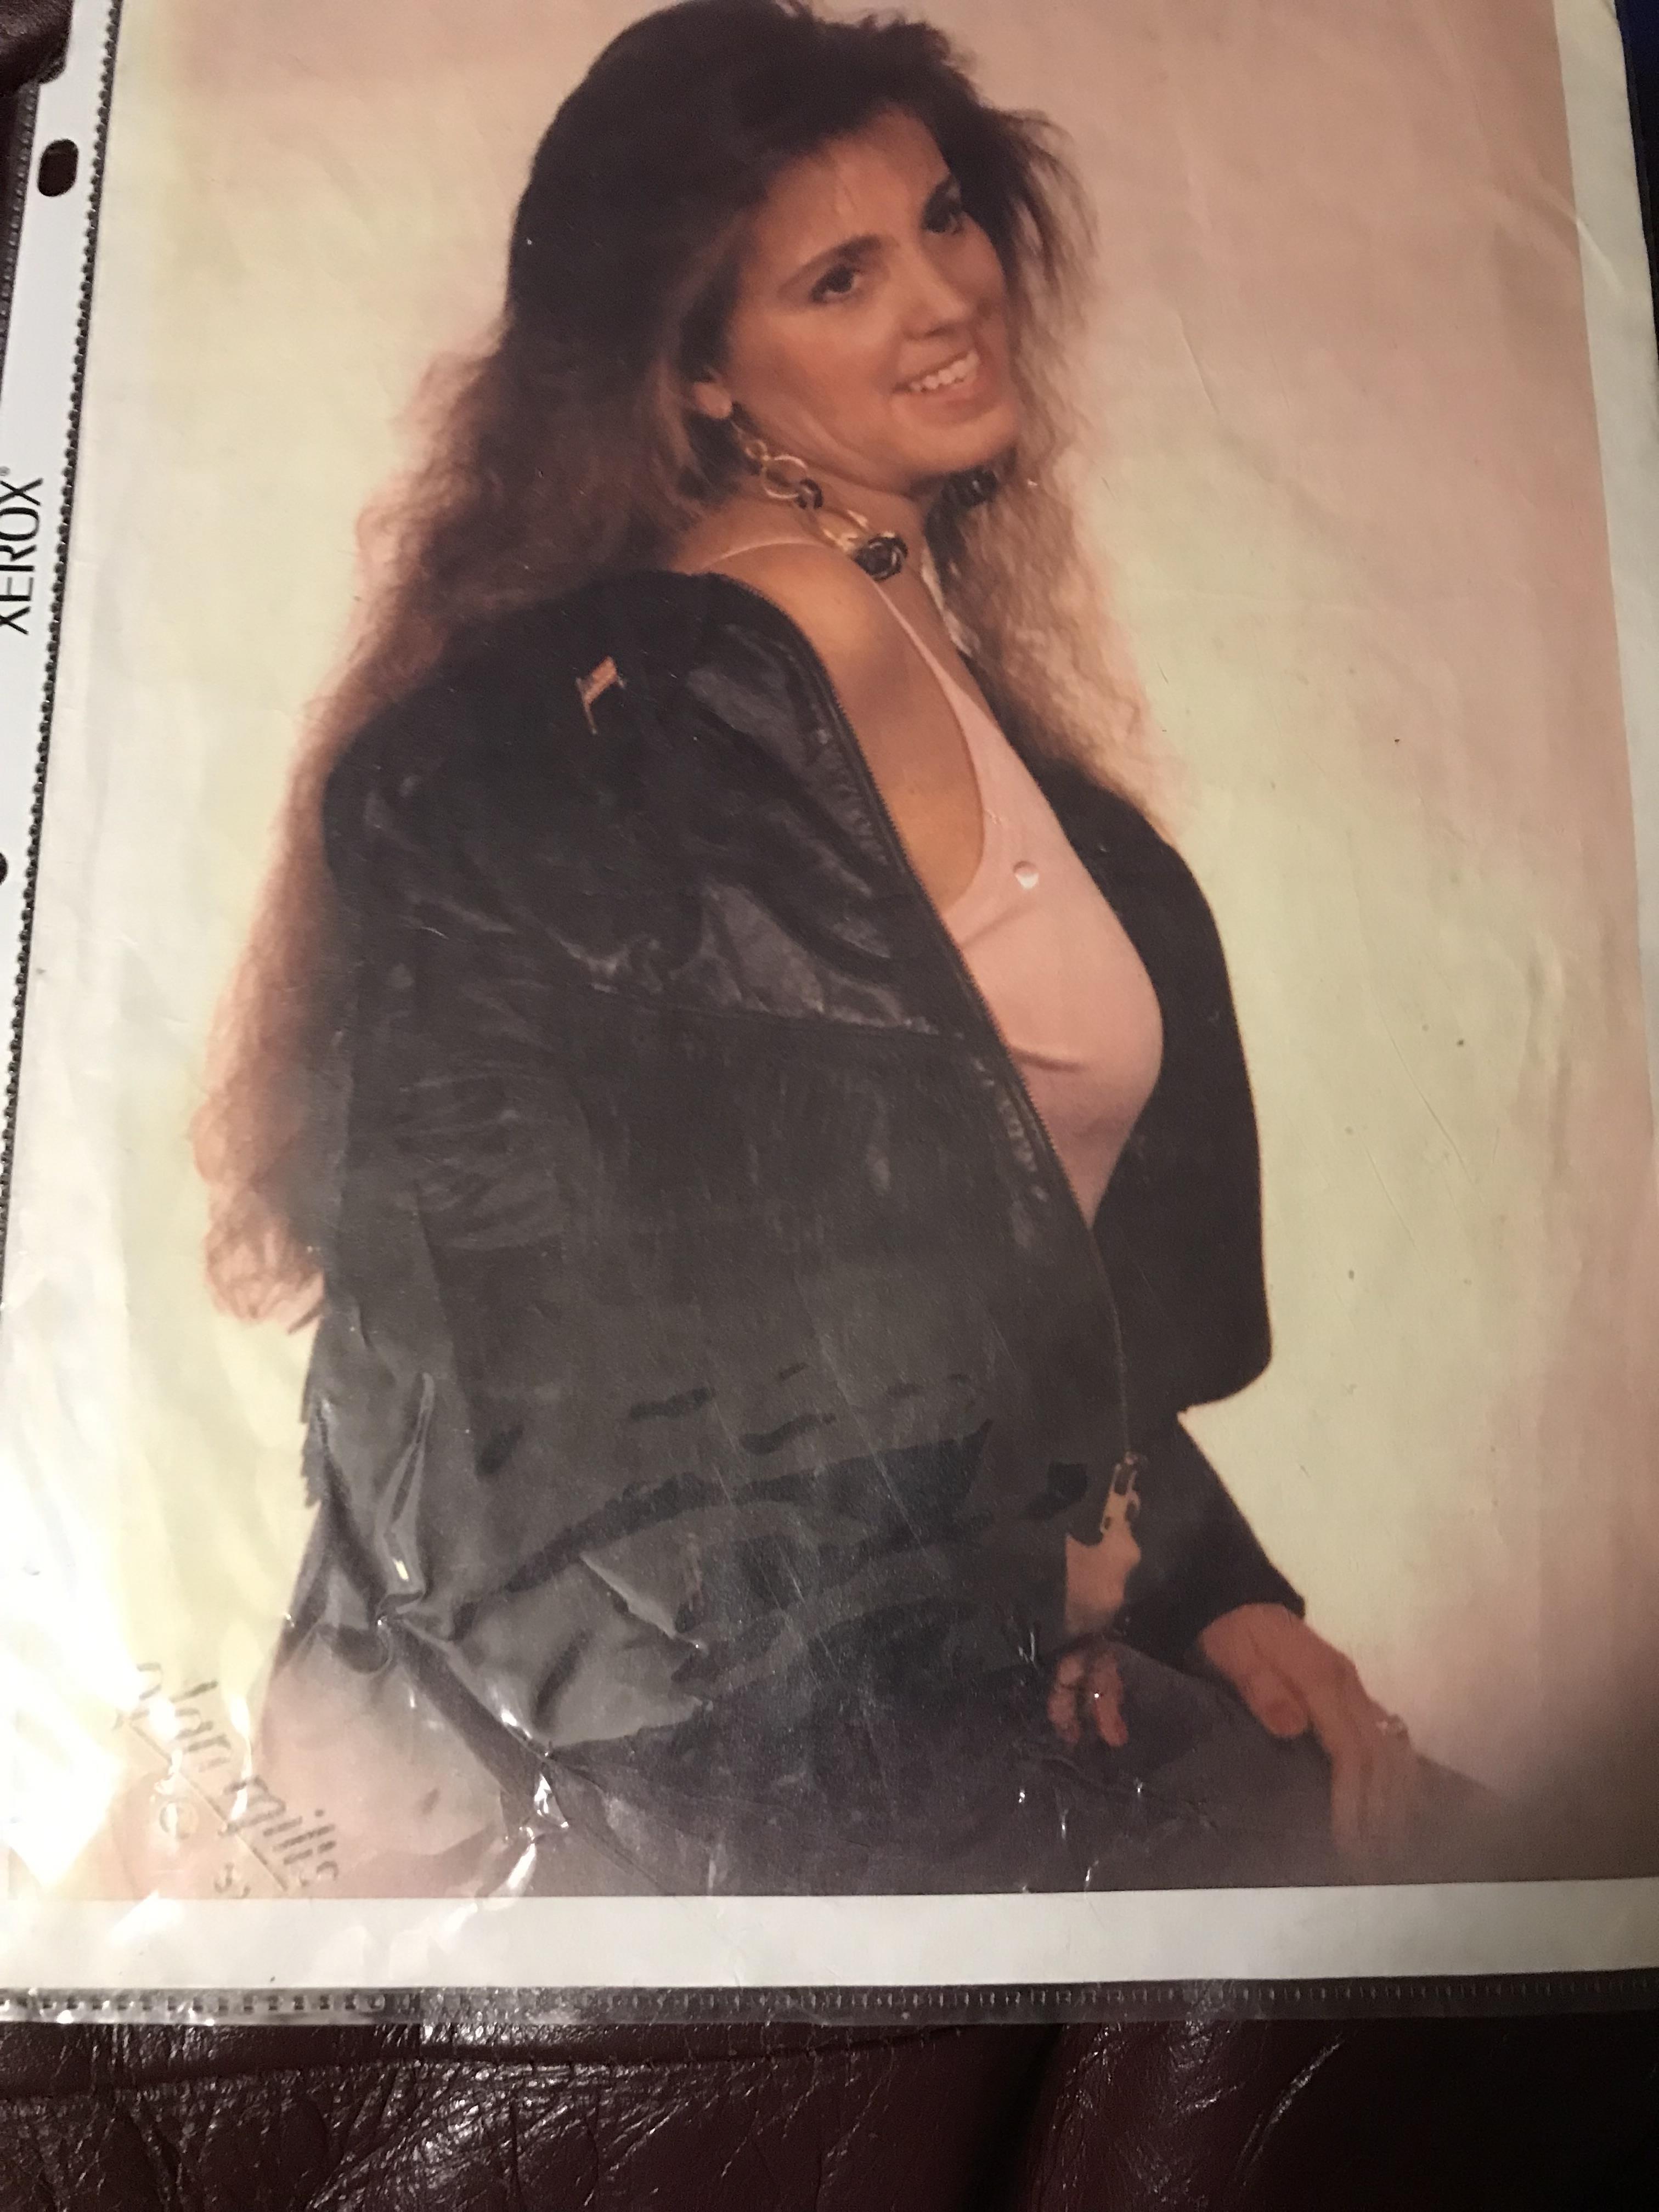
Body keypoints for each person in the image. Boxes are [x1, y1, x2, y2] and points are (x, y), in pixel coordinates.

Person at [194, 0, 1430, 1895]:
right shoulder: (715, 689)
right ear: (700, 377)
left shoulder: (877, 628)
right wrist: (1034, 1639)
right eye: (840, 280)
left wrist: (1200, 1584)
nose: (945, 299)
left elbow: (970, 1268)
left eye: (942, 221)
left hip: (945, 1701)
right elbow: (649, 1378)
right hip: (747, 1791)